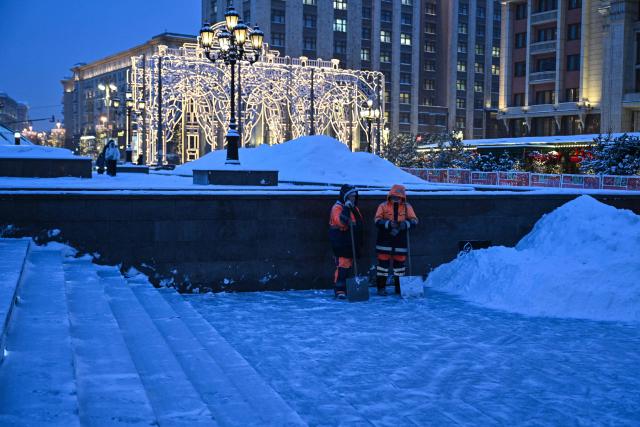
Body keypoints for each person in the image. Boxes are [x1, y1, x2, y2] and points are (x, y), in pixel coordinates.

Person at [374, 184, 418, 295]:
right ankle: (381, 289)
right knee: (382, 268)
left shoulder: (407, 207)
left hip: (400, 242)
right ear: (390, 195)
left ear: (403, 197)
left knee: (399, 268)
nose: (396, 198)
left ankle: (400, 289)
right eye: (394, 196)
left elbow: (415, 220)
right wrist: (388, 224)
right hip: (384, 241)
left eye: (398, 197)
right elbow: (377, 220)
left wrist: (406, 224)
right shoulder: (383, 206)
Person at [328, 184, 364, 299]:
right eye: (351, 196)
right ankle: (339, 290)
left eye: (354, 196)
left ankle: (348, 288)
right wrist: (347, 208)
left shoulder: (355, 208)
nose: (353, 198)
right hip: (341, 241)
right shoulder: (337, 208)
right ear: (345, 196)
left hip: (351, 241)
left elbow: (359, 223)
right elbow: (341, 223)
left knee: (349, 265)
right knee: (342, 265)